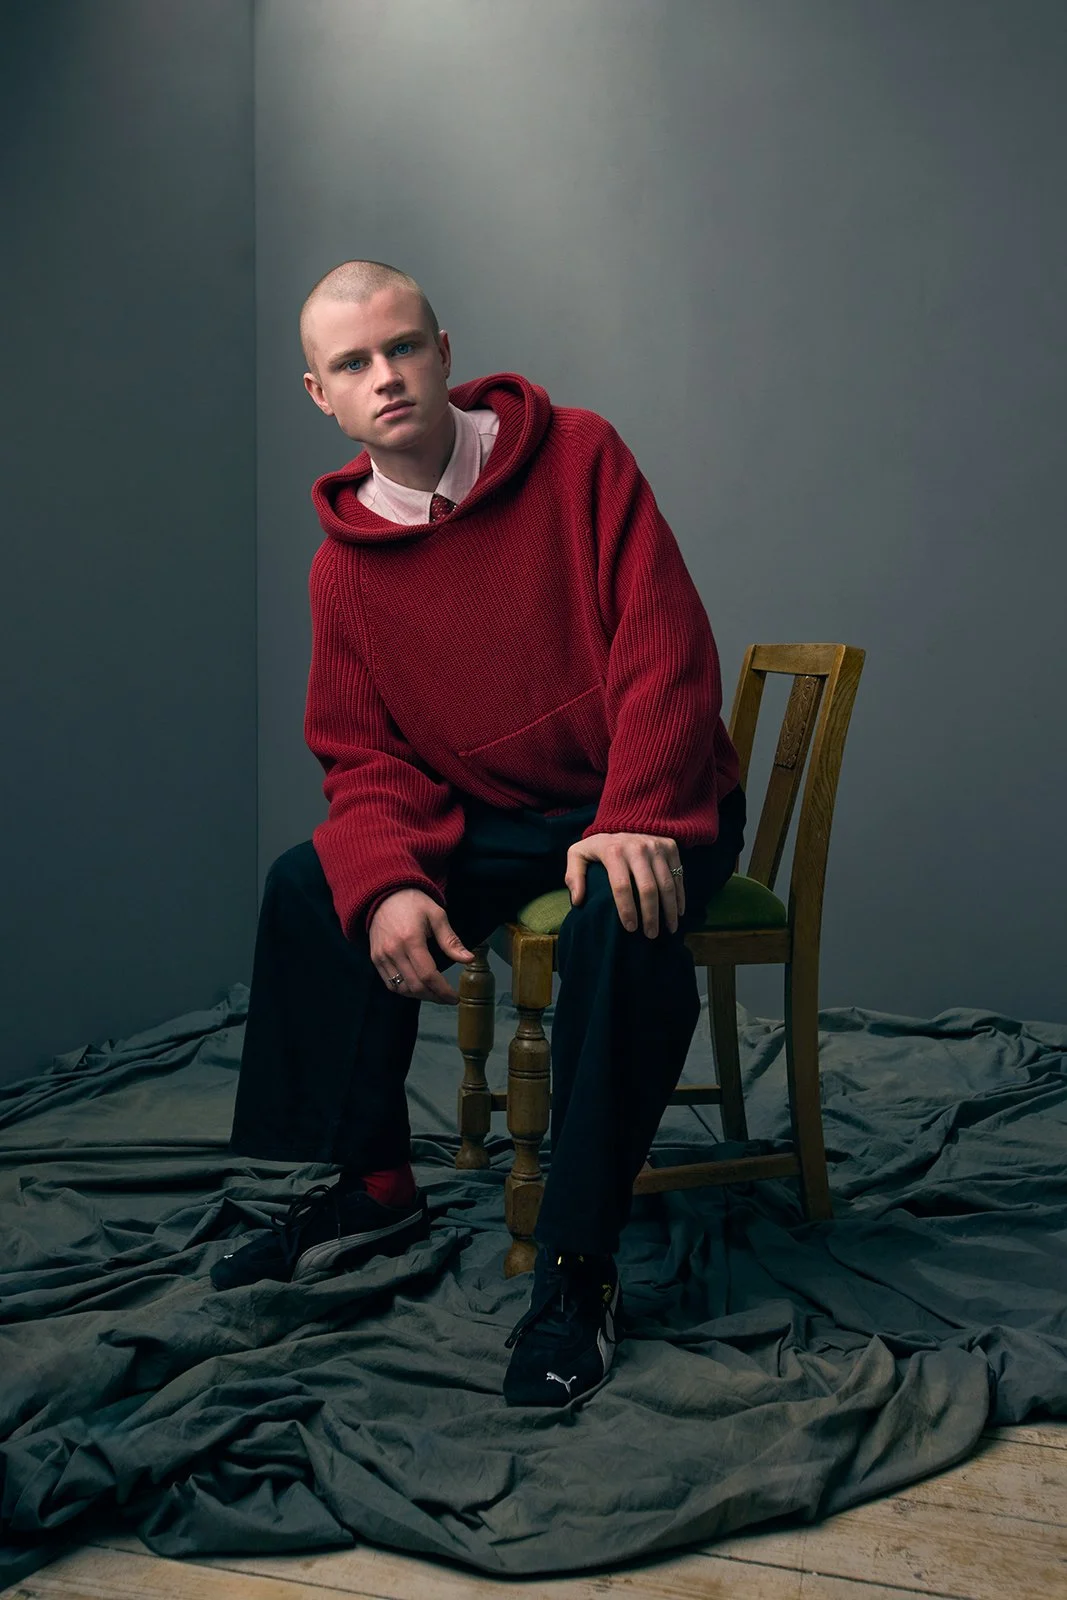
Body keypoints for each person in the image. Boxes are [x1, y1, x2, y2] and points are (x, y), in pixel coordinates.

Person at [212, 259, 746, 1408]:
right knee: (312, 886)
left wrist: (637, 814)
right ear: (320, 396)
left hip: (648, 791)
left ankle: (576, 1262)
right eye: (352, 363)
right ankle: (372, 1182)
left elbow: (664, 648)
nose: (385, 376)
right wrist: (390, 884)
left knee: (624, 908)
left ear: (445, 352)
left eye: (401, 347)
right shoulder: (342, 569)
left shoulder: (579, 457)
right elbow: (366, 760)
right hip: (498, 812)